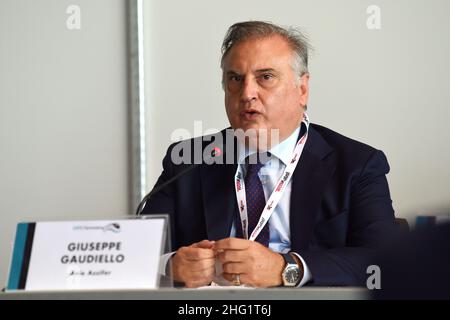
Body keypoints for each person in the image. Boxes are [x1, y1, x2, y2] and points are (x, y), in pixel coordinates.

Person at [142, 21, 396, 288]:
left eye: (265, 77)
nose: (247, 93)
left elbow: (383, 263)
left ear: (302, 89)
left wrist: (288, 269)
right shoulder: (188, 160)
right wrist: (171, 266)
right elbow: (133, 252)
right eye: (235, 79)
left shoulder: (357, 164)